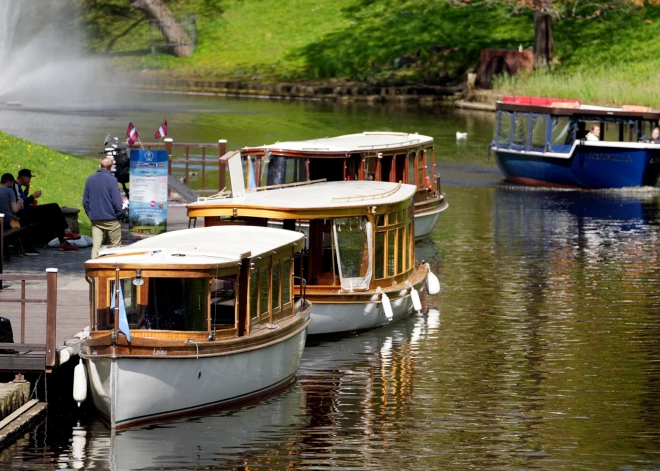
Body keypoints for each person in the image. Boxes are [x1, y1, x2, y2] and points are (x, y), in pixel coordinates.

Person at [14, 169, 79, 252]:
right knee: (54, 207)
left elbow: (22, 200)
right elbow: (20, 205)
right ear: (23, 177)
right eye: (29, 178)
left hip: (28, 211)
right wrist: (33, 196)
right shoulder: (15, 187)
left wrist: (26, 191)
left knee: (53, 213)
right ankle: (65, 233)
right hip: (25, 214)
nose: (30, 180)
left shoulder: (18, 187)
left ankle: (63, 242)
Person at [83, 157, 124, 259]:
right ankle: (115, 272)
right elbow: (117, 202)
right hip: (112, 219)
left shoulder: (90, 179)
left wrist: (91, 215)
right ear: (111, 167)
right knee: (116, 247)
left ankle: (93, 273)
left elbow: (85, 202)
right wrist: (119, 215)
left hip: (96, 219)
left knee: (96, 247)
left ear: (99, 166)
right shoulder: (112, 180)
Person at [0, 173, 37, 256]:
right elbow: (15, 209)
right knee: (26, 221)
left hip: (1, 222)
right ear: (9, 182)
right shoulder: (9, 191)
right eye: (12, 183)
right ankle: (28, 248)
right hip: (10, 221)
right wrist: (19, 202)